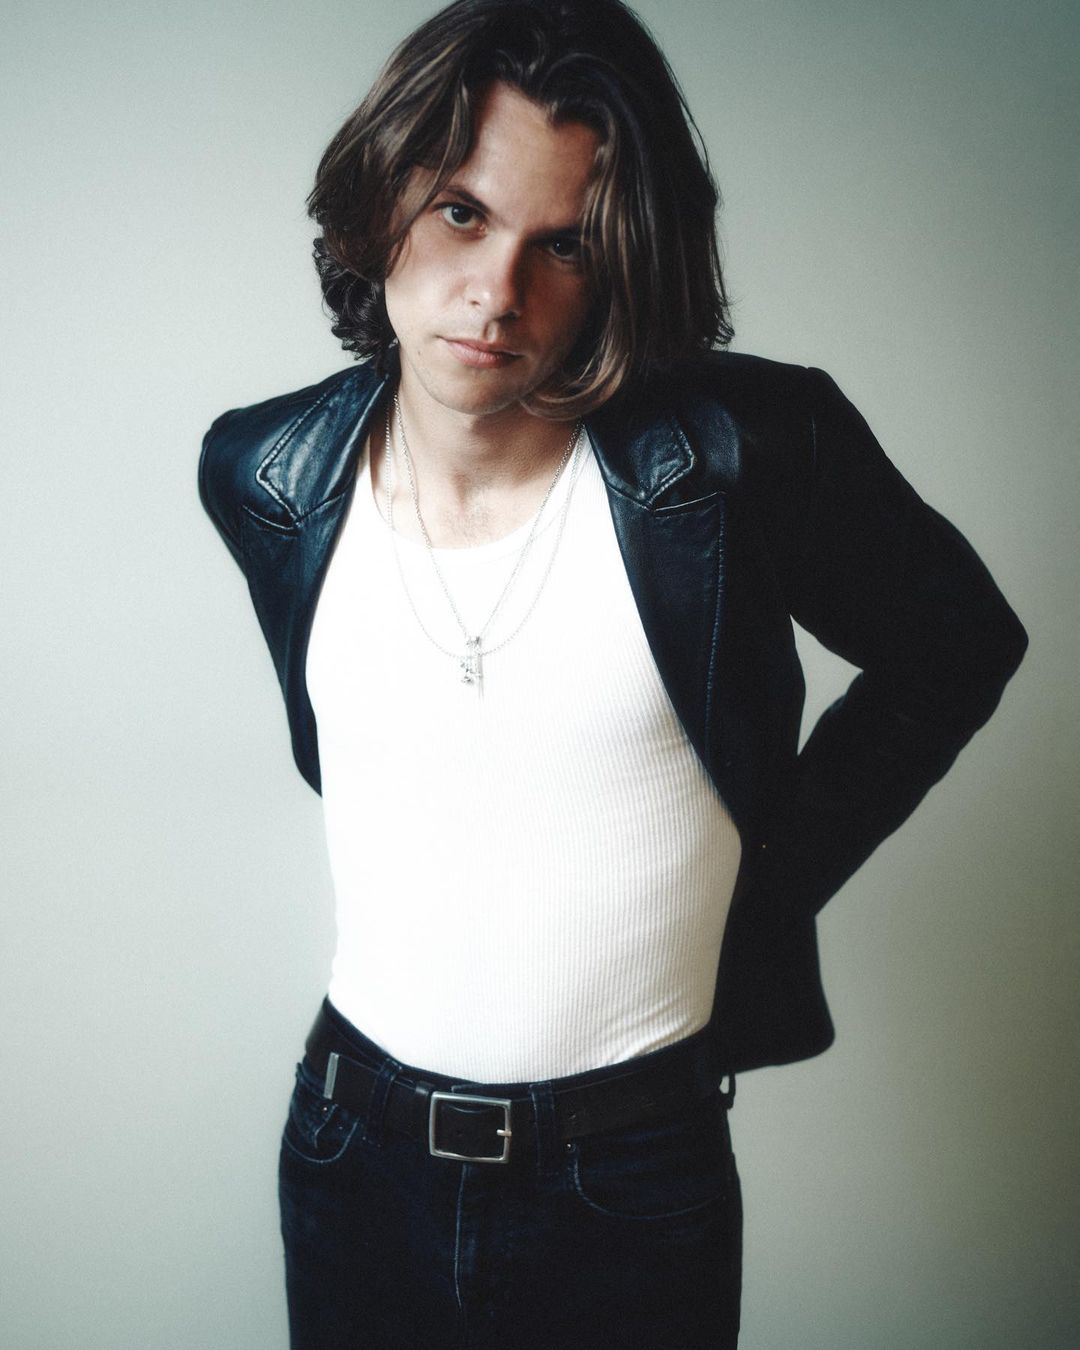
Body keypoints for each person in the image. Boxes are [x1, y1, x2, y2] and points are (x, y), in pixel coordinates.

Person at [198, 1, 1027, 1345]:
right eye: (462, 213)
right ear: (380, 200)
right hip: (353, 1150)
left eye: (565, 244)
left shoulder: (746, 456)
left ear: (623, 262)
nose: (497, 292)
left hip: (629, 1171)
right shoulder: (265, 476)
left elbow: (958, 643)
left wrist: (764, 873)